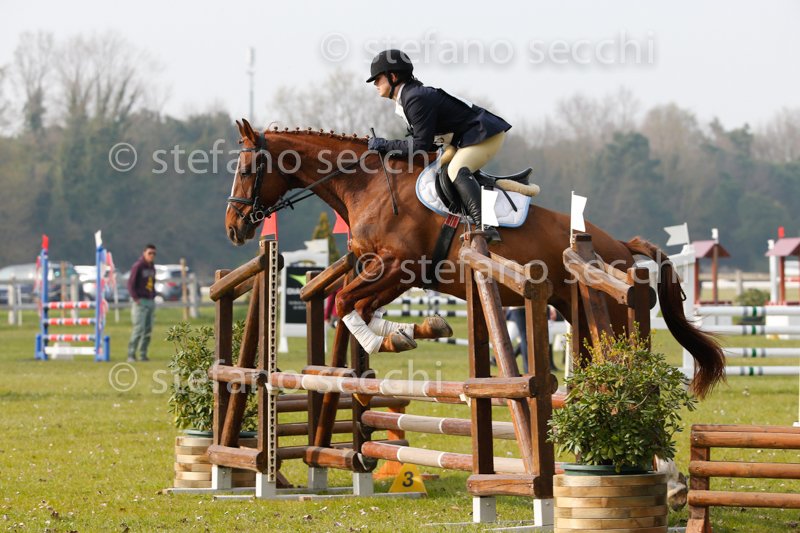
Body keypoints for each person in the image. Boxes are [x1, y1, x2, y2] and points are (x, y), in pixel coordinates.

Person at [366, 49, 511, 240]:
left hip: (483, 134)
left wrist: (386, 145)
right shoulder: (408, 98)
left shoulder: (414, 98)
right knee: (439, 171)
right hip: (465, 138)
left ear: (393, 77)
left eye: (378, 78)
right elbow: (429, 145)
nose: (375, 84)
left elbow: (420, 145)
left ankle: (486, 225)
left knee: (456, 170)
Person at [127, 244, 157, 362]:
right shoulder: (138, 266)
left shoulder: (152, 267)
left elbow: (153, 283)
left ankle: (143, 354)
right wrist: (136, 298)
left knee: (148, 329)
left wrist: (153, 295)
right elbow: (131, 284)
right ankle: (131, 354)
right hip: (140, 301)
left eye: (154, 253)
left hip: (150, 300)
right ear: (144, 253)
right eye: (150, 253)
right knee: (139, 328)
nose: (152, 255)